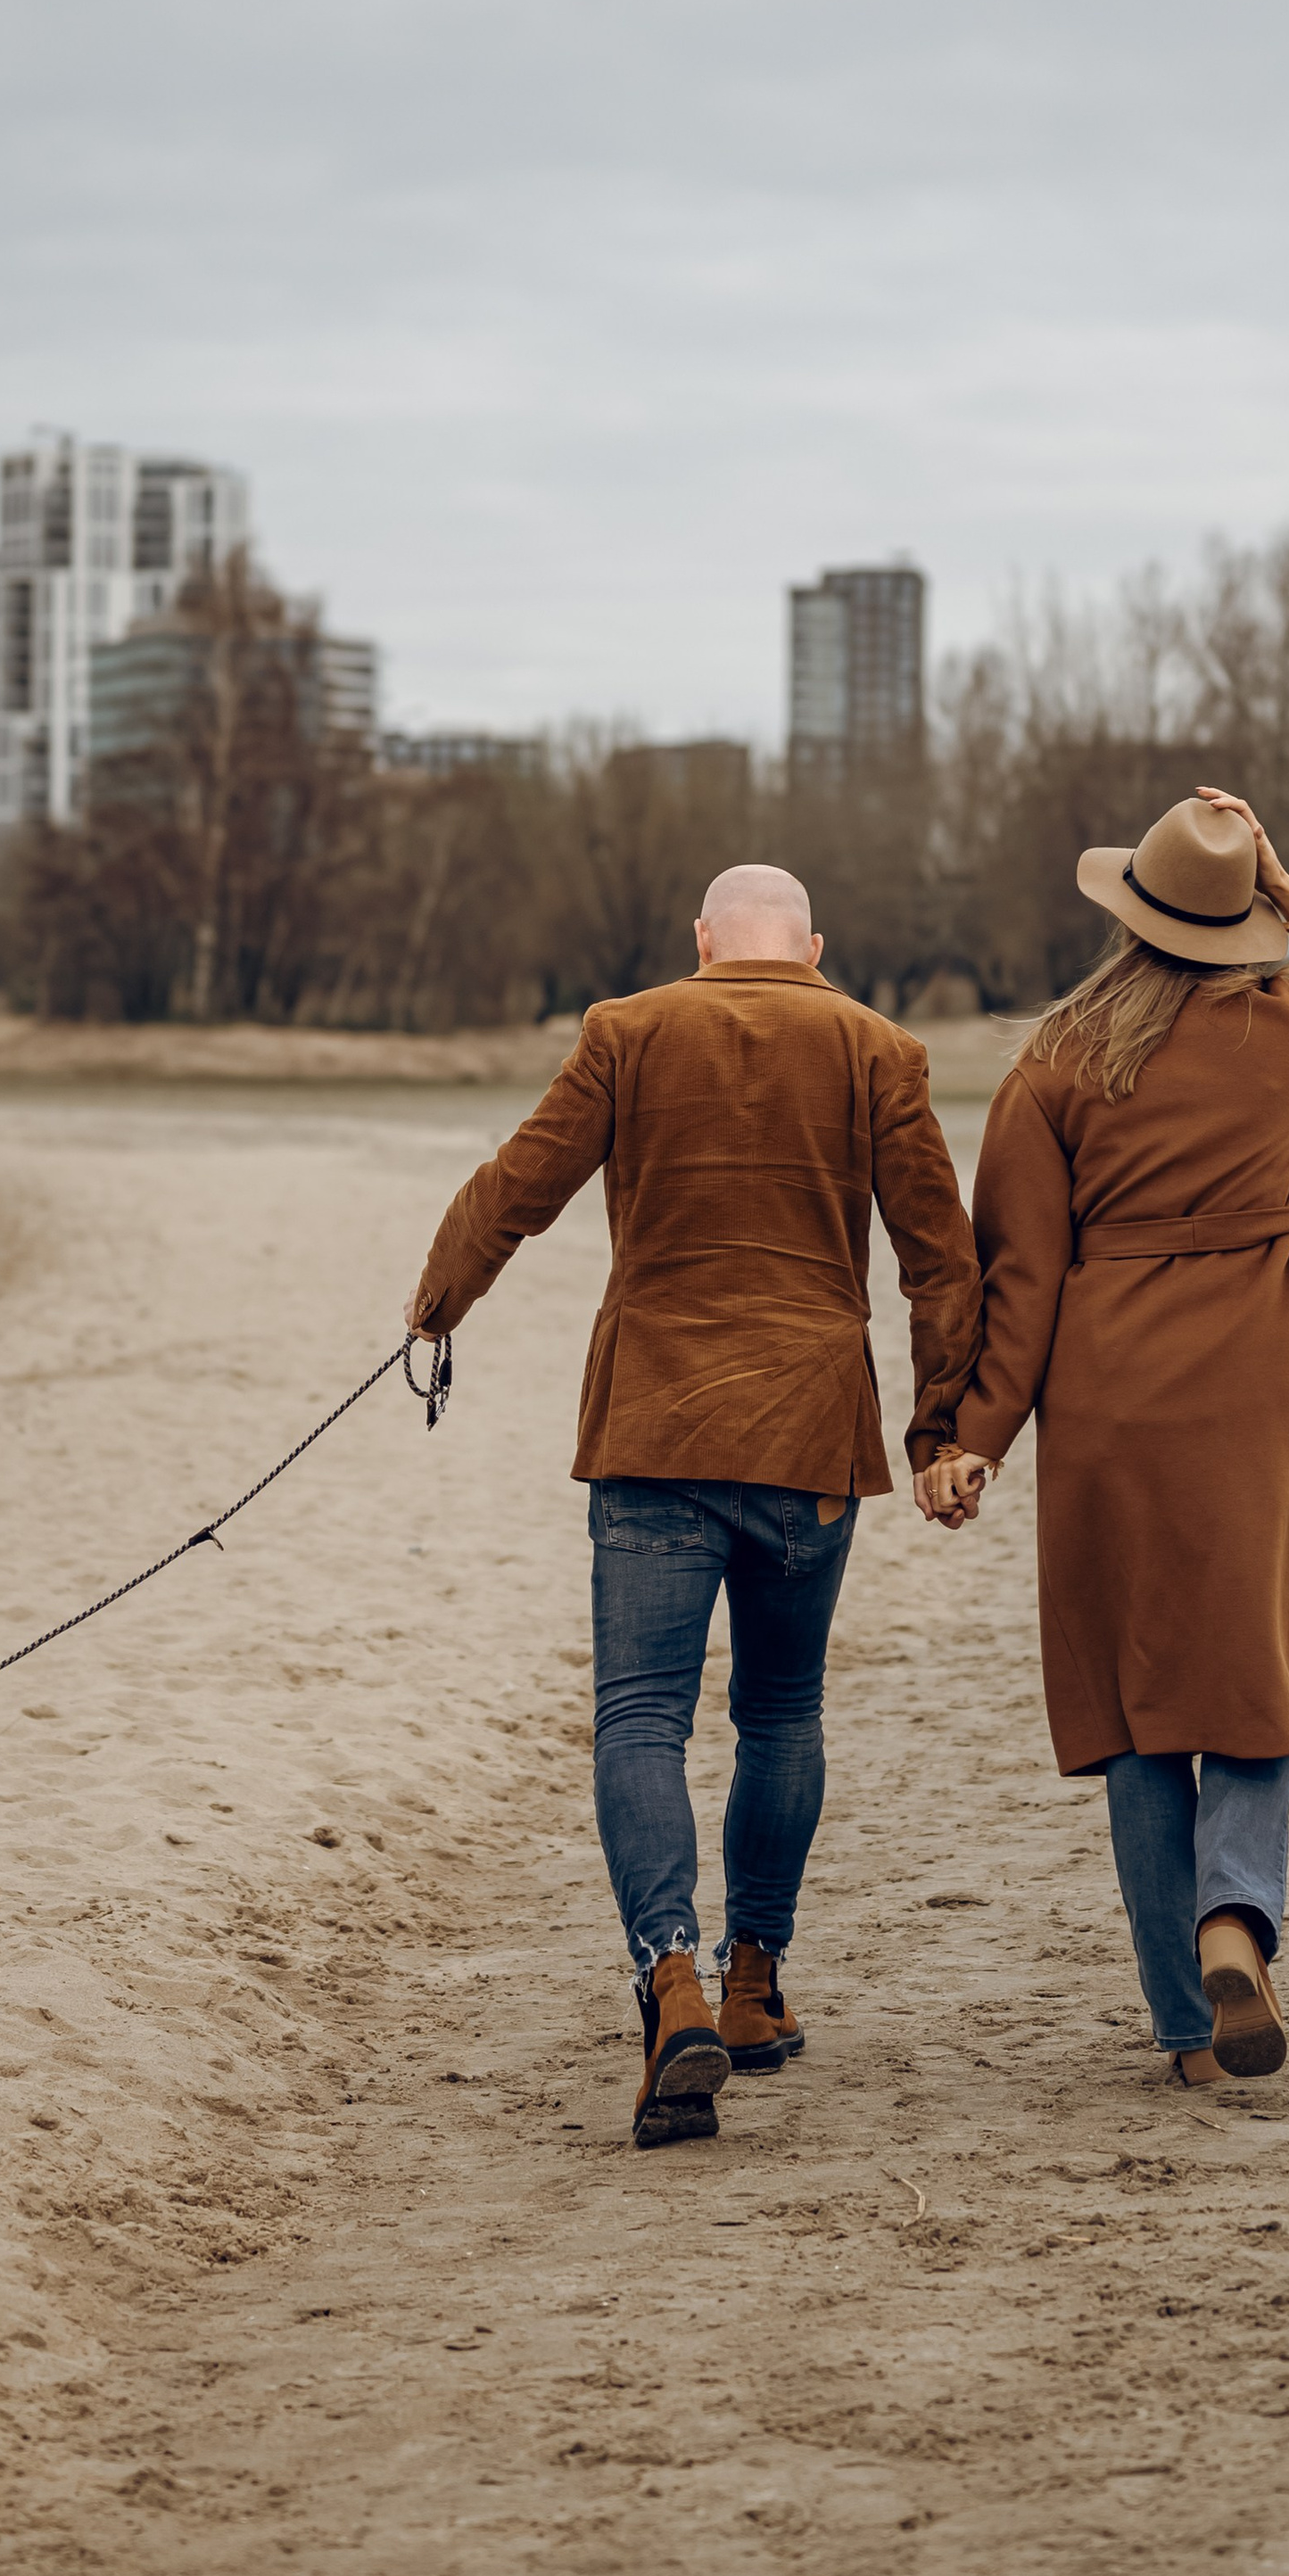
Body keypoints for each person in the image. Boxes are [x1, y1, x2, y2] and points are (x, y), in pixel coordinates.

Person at [405, 863, 981, 2150]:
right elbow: (940, 1255)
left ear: (705, 942)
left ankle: (670, 1984)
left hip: (655, 1431)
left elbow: (519, 1188)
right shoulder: (877, 1048)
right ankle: (754, 1985)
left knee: (640, 1719)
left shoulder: (627, 1031)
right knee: (781, 1711)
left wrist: (438, 1303)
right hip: (809, 1435)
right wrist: (940, 1424)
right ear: (815, 948)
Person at [923, 788, 1289, 2085]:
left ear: (1128, 911)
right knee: (1253, 1666)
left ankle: (1190, 2036)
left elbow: (1018, 1280)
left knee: (1143, 1702)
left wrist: (974, 1436)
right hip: (1266, 1388)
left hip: (1115, 1402)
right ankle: (1234, 1922)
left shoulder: (1057, 1060)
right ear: (1244, 916)